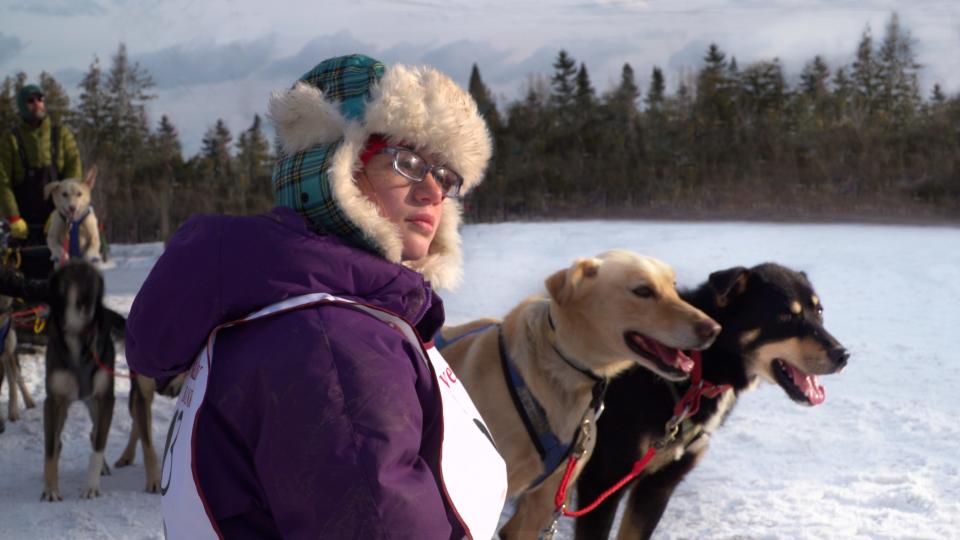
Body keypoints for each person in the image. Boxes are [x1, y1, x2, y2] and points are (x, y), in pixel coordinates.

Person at [126, 54, 508, 539]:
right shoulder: (334, 346)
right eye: (408, 163)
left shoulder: (312, 309)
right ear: (337, 168)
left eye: (445, 175)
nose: (434, 190)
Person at [0, 84, 82, 245]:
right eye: (31, 101)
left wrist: (61, 213)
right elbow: (3, 182)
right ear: (22, 106)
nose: (36, 103)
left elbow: (74, 172)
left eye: (40, 99)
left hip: (60, 218)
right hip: (23, 224)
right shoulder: (10, 139)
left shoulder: (61, 134)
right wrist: (14, 217)